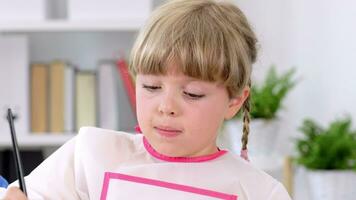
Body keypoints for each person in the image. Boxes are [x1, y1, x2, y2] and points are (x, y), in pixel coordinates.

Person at [2, 0, 291, 199]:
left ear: (234, 101)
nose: (166, 107)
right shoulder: (90, 154)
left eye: (192, 94)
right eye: (152, 86)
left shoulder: (261, 192)